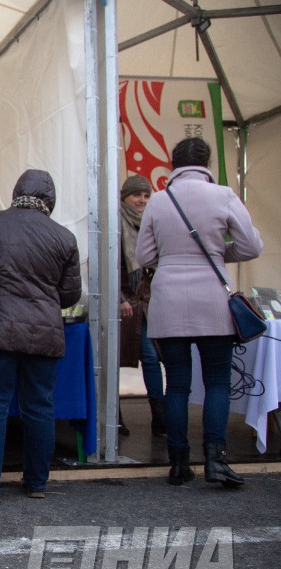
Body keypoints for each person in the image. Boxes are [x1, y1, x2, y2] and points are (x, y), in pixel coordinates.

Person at [136, 136, 263, 487]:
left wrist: (174, 258)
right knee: (217, 381)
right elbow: (252, 245)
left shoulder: (159, 201)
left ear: (173, 163)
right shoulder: (222, 195)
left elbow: (145, 257)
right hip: (213, 298)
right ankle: (215, 459)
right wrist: (221, 255)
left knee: (176, 385)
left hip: (168, 302)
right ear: (206, 164)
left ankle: (178, 462)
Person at [0, 169, 81, 503]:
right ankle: (37, 483)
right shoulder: (64, 238)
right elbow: (69, 296)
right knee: (40, 407)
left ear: (15, 191)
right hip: (44, 334)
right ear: (49, 200)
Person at [118, 174, 166, 437]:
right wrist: (119, 298)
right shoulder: (114, 220)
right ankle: (114, 416)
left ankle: (160, 418)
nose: (142, 200)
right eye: (137, 195)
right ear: (125, 195)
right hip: (123, 302)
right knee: (112, 361)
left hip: (145, 303)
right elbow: (108, 265)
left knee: (150, 358)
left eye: (147, 196)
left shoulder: (150, 222)